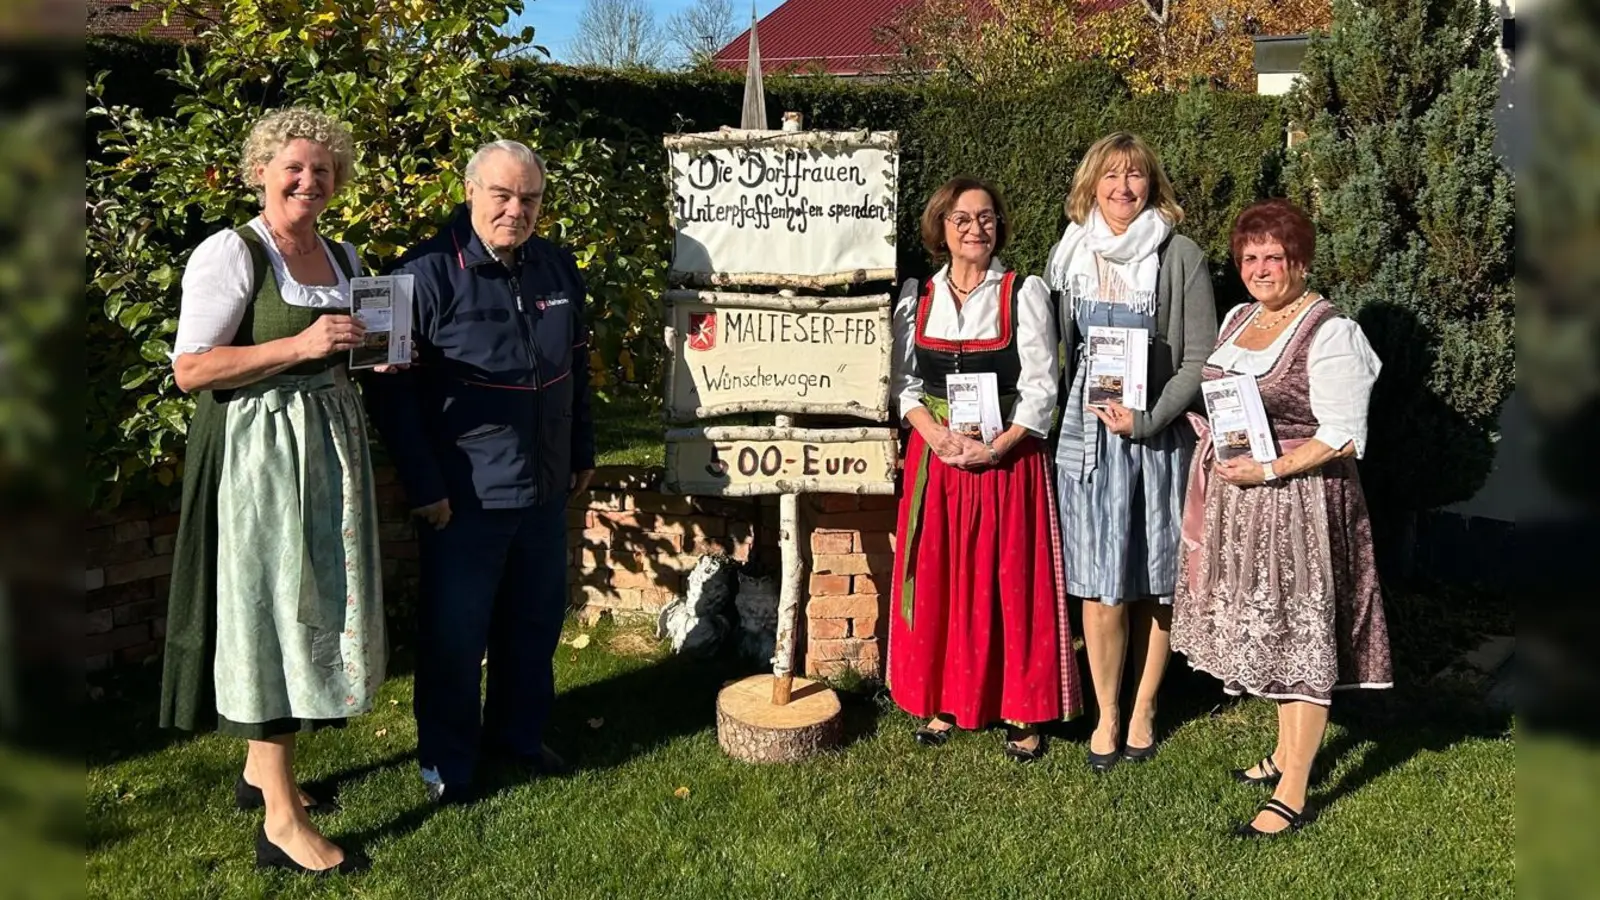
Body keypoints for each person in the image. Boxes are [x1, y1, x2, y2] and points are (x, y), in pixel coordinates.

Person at [160, 108, 383, 875]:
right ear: (261, 170)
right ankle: (282, 821)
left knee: (317, 601)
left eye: (322, 171)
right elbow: (192, 369)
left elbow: (346, 348)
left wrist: (376, 354)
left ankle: (262, 774)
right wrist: (300, 343)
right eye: (293, 167)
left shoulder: (343, 254)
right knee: (270, 609)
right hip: (258, 457)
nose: (307, 181)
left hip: (326, 448)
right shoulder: (233, 253)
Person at [364, 139, 595, 805]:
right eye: (502, 195)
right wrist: (424, 484)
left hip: (544, 490)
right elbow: (387, 394)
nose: (516, 209)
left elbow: (577, 368)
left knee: (533, 625)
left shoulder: (556, 267)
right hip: (463, 499)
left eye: (529, 198)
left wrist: (582, 451)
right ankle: (449, 763)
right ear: (470, 194)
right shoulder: (416, 274)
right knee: (456, 639)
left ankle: (519, 738)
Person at [1171, 198, 1393, 837]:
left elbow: (1344, 436)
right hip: (1242, 503)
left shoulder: (1331, 331)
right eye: (1250, 257)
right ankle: (1285, 752)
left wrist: (1268, 471)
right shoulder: (1241, 318)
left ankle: (1294, 788)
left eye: (1275, 256)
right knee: (1266, 629)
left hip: (1301, 504)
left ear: (1301, 259)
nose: (1262, 268)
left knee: (1299, 638)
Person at [886, 176, 1082, 761]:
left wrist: (996, 447)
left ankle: (1022, 706)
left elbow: (1043, 389)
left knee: (1009, 582)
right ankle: (945, 698)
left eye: (987, 218)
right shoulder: (916, 297)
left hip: (1006, 460)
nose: (977, 228)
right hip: (938, 457)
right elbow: (904, 384)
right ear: (940, 229)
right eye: (963, 219)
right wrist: (936, 436)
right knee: (943, 576)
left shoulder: (1023, 293)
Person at [1043, 132, 1216, 773]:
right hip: (1087, 444)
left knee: (1155, 584)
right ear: (1091, 185)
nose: (1123, 188)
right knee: (1100, 586)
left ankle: (1144, 707)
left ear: (1152, 185)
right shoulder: (1068, 257)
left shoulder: (1180, 256)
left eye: (1136, 176)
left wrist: (1147, 420)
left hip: (1157, 440)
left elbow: (1198, 359)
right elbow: (1059, 357)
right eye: (1111, 176)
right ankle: (1106, 712)